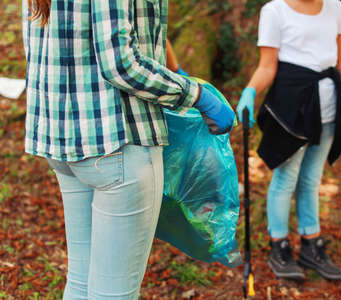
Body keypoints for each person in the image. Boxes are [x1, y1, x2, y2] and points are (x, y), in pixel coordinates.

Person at [22, 0, 235, 298]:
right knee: (113, 293)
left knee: (82, 283)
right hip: (118, 145)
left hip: (65, 141)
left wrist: (174, 73)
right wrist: (195, 95)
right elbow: (121, 65)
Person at [236, 0, 341, 281]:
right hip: (291, 106)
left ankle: (311, 244)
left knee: (311, 179)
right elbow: (267, 66)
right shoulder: (275, 11)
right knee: (286, 177)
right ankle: (279, 246)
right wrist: (250, 90)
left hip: (330, 107)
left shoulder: (335, 8)